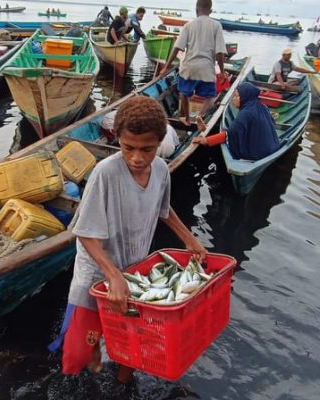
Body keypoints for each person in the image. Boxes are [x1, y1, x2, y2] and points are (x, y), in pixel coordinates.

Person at [56, 96, 207, 383]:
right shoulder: (105, 173)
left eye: (147, 149)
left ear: (160, 142)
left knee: (133, 348)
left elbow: (164, 210)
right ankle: (86, 367)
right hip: (96, 277)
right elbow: (84, 233)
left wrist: (190, 240)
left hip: (133, 273)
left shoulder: (162, 169)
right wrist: (112, 274)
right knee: (77, 355)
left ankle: (122, 385)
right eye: (128, 148)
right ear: (118, 140)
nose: (137, 157)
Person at [158, 0, 227, 126]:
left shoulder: (188, 25)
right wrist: (222, 72)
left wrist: (165, 68)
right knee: (211, 97)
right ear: (210, 11)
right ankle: (200, 115)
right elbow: (220, 53)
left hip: (188, 67)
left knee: (183, 93)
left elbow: (177, 48)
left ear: (196, 10)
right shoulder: (217, 25)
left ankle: (188, 119)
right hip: (206, 68)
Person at [192, 82, 280, 161]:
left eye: (236, 96)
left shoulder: (245, 114)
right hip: (274, 146)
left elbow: (230, 134)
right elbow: (272, 123)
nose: (233, 99)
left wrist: (206, 140)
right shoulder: (262, 106)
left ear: (245, 97)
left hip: (260, 153)